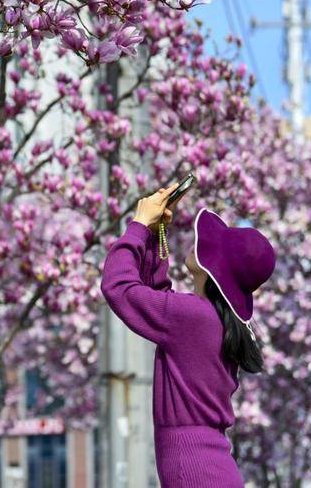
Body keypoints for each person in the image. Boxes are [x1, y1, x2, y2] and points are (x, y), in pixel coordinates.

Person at [100, 184, 277, 488]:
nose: (201, 242)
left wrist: (138, 225)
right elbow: (157, 298)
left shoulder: (192, 317)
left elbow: (117, 287)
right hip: (209, 465)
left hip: (193, 470)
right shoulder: (207, 320)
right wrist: (157, 235)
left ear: (215, 269)